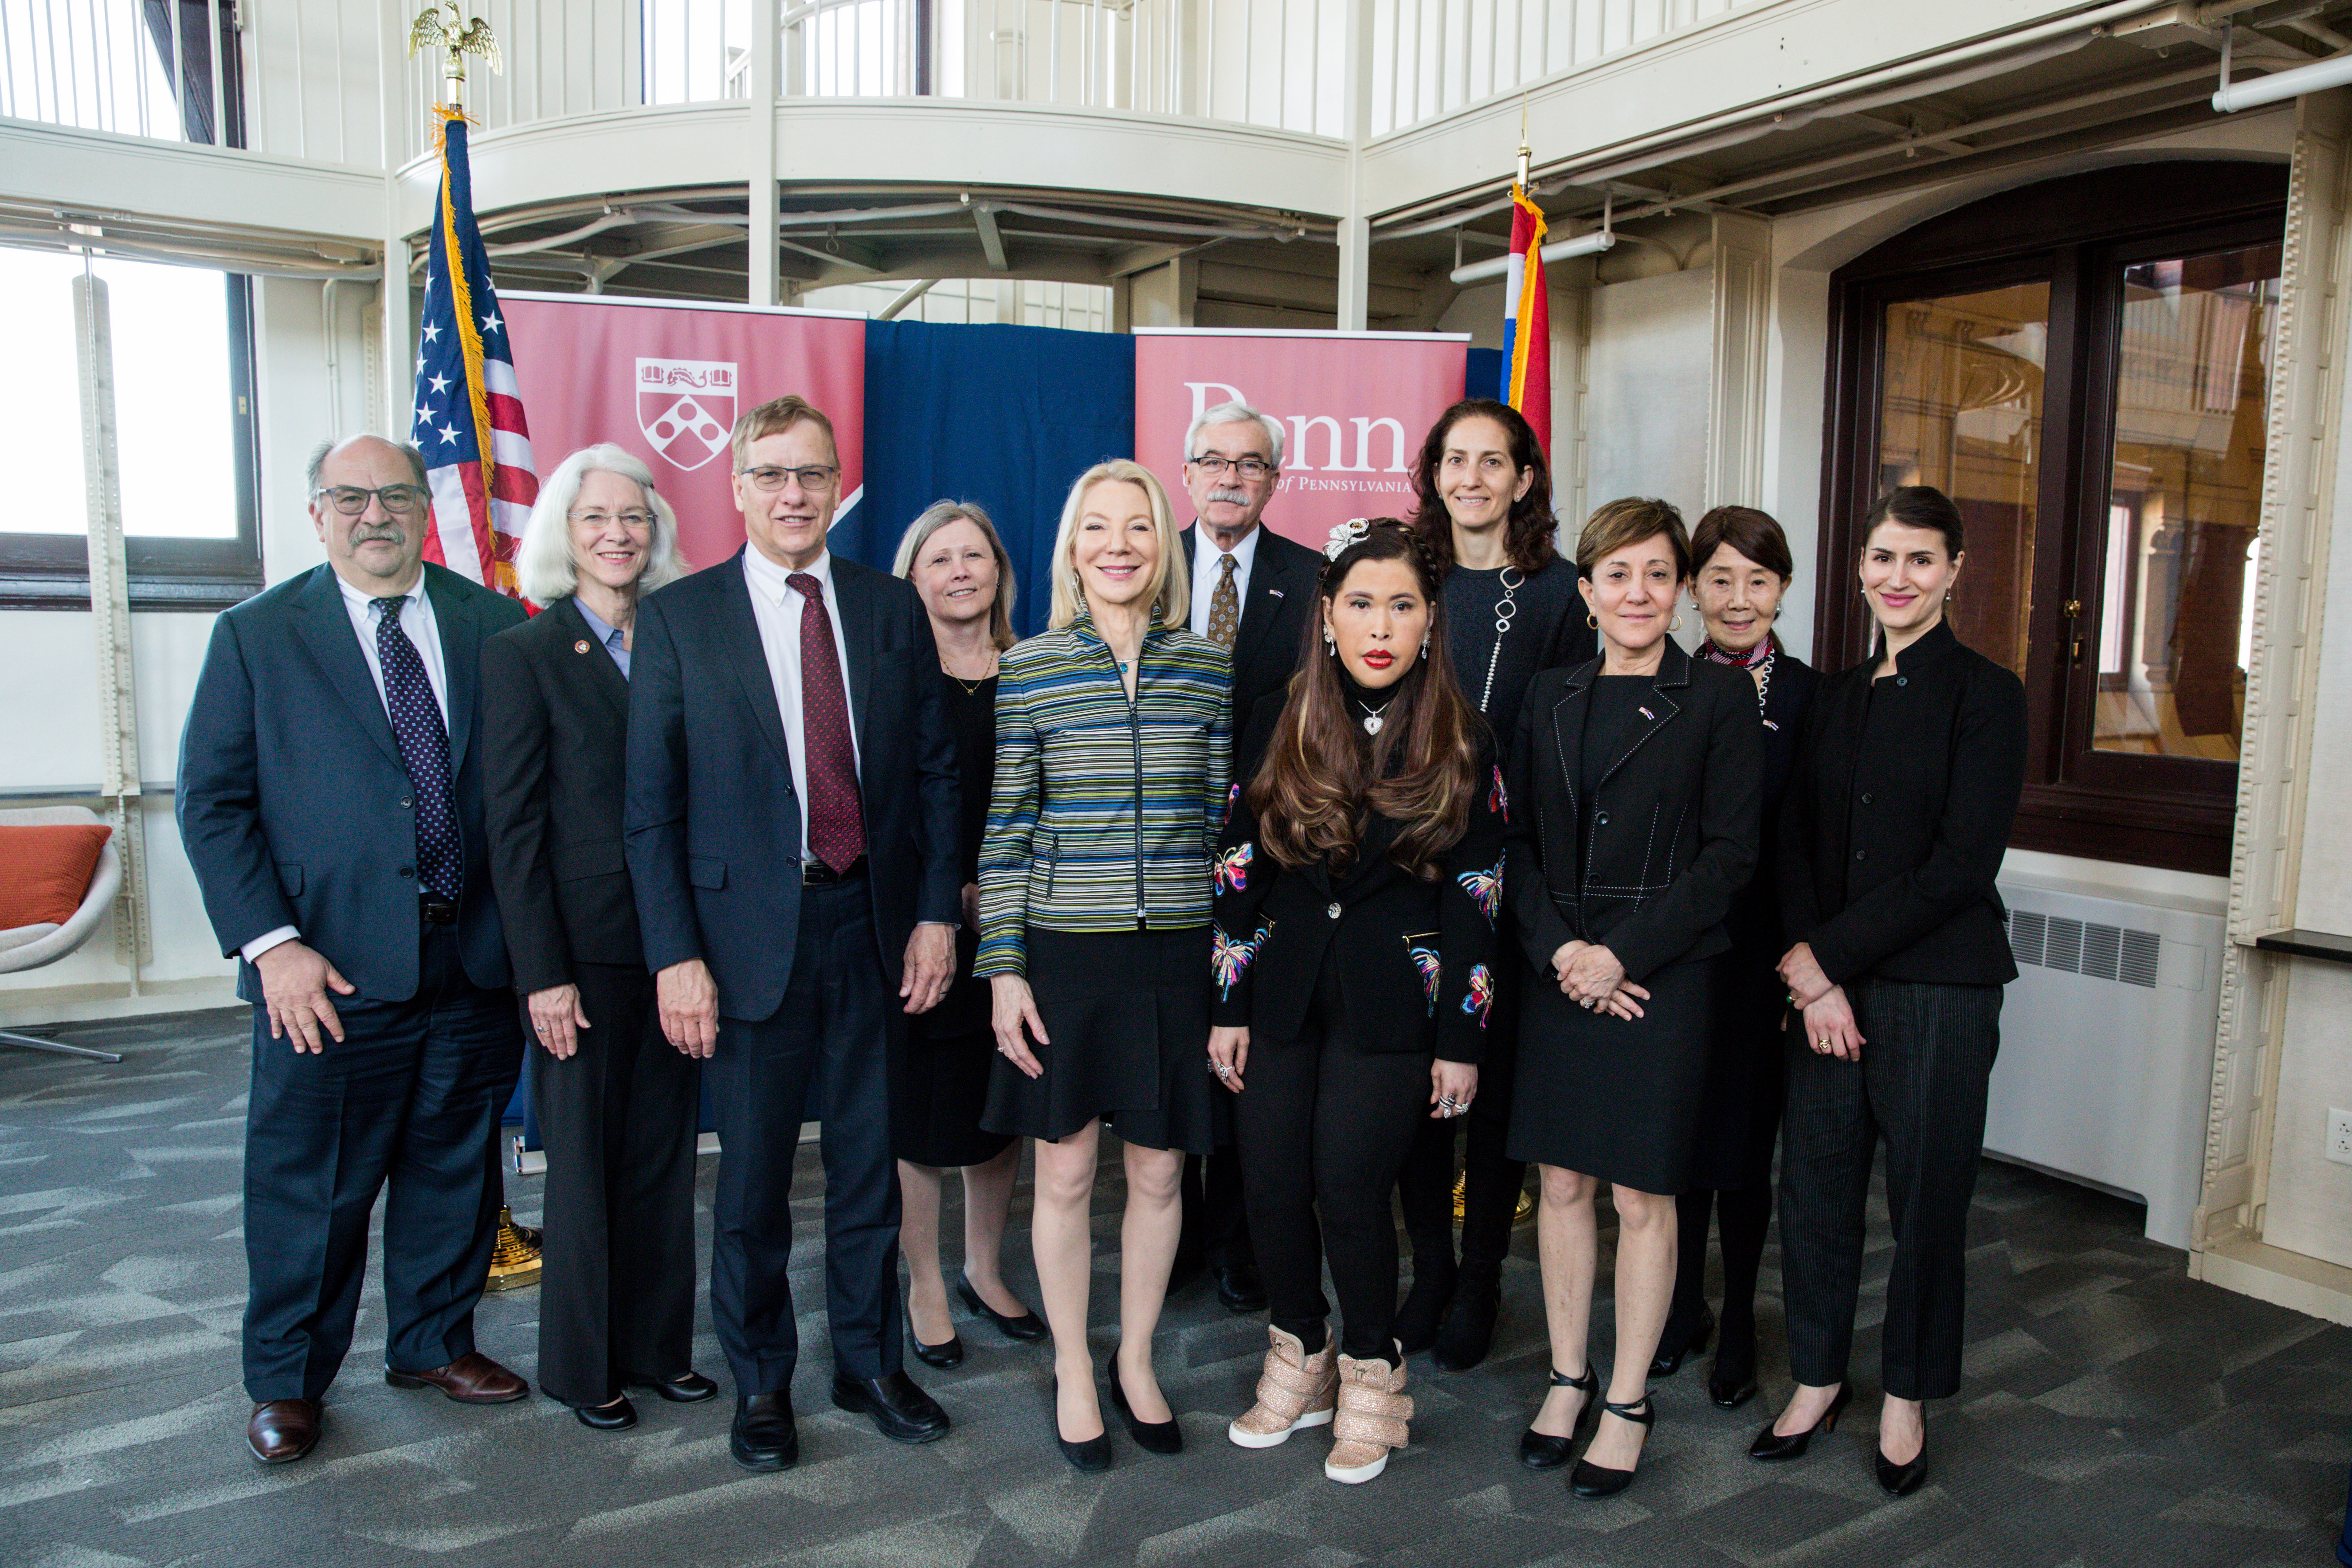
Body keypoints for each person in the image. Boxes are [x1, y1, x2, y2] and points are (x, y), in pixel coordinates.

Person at [623, 395, 962, 1473]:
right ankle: (762, 1380)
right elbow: (652, 808)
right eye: (770, 474)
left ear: (836, 484)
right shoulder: (681, 619)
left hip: (872, 926)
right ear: (737, 486)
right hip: (744, 942)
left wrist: (933, 913)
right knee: (757, 1181)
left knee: (870, 1169)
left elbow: (936, 778)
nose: (793, 493)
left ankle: (867, 1364)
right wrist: (676, 955)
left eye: (811, 473)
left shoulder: (889, 607)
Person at [179, 435, 532, 1466]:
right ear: (316, 513)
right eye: (350, 497)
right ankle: (288, 1379)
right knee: (310, 1186)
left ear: (425, 509)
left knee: (453, 1169)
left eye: (394, 496)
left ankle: (432, 1343)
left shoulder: (489, 623)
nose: (374, 514)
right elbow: (214, 805)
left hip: (471, 958)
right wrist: (270, 945)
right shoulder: (255, 635)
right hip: (322, 972)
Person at [1211, 518, 1506, 1485]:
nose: (1382, 625)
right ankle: (1301, 1353)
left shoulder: (1465, 734)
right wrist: (1229, 1002)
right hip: (1283, 992)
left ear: (1433, 620)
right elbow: (1239, 869)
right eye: (1362, 603)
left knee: (1348, 1187)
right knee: (1267, 1184)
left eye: (1405, 605)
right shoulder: (1277, 712)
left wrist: (1461, 1039)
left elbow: (1477, 902)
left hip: (1396, 1006)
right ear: (1328, 613)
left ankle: (1375, 1372)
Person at [1756, 484, 2026, 1497]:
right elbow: (1794, 841)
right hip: (1823, 994)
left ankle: (1907, 1393)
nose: (1898, 578)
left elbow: (1961, 863)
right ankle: (1820, 1375)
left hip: (1940, 991)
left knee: (1927, 1200)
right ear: (1860, 569)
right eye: (1881, 558)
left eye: (1920, 559)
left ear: (1954, 570)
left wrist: (1827, 957)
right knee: (1816, 1189)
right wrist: (1813, 975)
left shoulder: (1986, 694)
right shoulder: (1833, 695)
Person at [976, 459, 1230, 1471]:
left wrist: (1231, 975)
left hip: (1175, 953)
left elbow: (1223, 832)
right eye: (1097, 527)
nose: (1118, 545)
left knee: (1163, 1170)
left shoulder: (1207, 665)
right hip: (1064, 954)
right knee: (1069, 1169)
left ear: (1161, 544)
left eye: (1137, 527)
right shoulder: (1030, 666)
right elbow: (1007, 828)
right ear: (1073, 548)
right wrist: (1004, 968)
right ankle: (1075, 1368)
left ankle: (1135, 1362)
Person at [1504, 497, 1760, 1500]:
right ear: (1588, 589)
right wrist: (1565, 950)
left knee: (1644, 1193)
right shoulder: (1547, 693)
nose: (1638, 593)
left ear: (1684, 589)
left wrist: (1619, 957)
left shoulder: (1717, 700)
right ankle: (1567, 1376)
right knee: (1562, 1185)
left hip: (1664, 973)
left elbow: (1731, 858)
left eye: (1659, 574)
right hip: (1560, 963)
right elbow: (1514, 842)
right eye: (1618, 574)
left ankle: (1625, 1399)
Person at [480, 444, 706, 1431]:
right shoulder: (523, 655)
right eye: (595, 518)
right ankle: (584, 1365)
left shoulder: (683, 638)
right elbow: (514, 828)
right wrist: (542, 974)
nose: (618, 533)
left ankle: (658, 1350)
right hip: (577, 957)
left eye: (634, 517)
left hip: (676, 948)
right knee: (581, 1167)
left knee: (664, 1159)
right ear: (561, 536)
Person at [1395, 396, 1597, 1369]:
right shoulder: (1406, 575)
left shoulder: (1560, 595)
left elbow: (1562, 750)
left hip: (1507, 874)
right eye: (1454, 460)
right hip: (1403, 874)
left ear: (1524, 479)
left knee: (1495, 1083)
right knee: (1418, 1084)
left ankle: (1479, 1278)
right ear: (1434, 473)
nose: (1471, 478)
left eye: (1493, 462)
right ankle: (1428, 1267)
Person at [1648, 505, 1820, 1410]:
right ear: (1691, 589)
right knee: (1675, 1136)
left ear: (1783, 589)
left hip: (1763, 957)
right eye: (1720, 578)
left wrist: (1805, 958)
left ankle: (1742, 1316)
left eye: (1758, 579)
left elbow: (1814, 837)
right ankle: (1679, 1305)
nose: (1738, 598)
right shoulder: (1663, 683)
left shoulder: (1809, 697)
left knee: (1747, 1148)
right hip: (1678, 952)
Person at [1172, 399, 1321, 1316]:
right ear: (1186, 473)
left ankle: (1233, 1235)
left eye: (1251, 463)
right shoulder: (1143, 567)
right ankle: (1171, 1222)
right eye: (1214, 461)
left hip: (1266, 856)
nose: (1230, 477)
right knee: (1170, 1046)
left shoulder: (1312, 580)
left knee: (1242, 1053)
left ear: (1275, 479)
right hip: (1152, 849)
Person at [887, 501, 1043, 1366]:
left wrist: (1011, 894)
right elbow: (885, 814)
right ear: (914, 578)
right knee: (921, 1108)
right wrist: (946, 897)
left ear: (998, 571)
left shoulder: (1034, 670)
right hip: (927, 928)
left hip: (1020, 931)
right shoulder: (893, 680)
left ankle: (985, 1268)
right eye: (938, 557)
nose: (959, 571)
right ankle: (922, 1280)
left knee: (1000, 1103)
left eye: (974, 555)